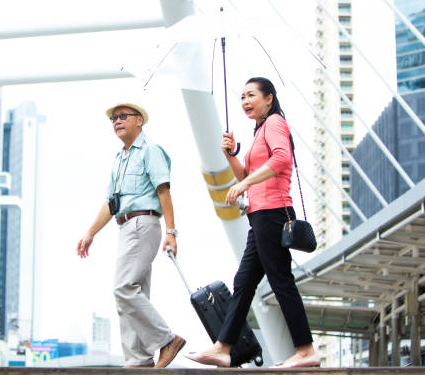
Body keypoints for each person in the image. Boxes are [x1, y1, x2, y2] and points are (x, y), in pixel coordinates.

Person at [185, 78, 320, 368]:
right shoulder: (260, 130)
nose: (245, 101)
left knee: (280, 281)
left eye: (251, 95)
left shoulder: (274, 123)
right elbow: (246, 174)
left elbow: (282, 160)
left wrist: (244, 182)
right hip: (259, 215)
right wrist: (230, 155)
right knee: (243, 282)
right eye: (242, 96)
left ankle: (306, 350)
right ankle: (223, 347)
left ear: (269, 98)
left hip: (273, 213)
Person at [76, 97, 185, 368]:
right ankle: (138, 358)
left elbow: (164, 191)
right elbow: (110, 203)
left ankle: (166, 339)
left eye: (123, 116)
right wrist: (90, 232)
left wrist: (171, 232)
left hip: (143, 223)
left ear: (139, 120)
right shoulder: (119, 159)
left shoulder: (150, 150)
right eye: (114, 118)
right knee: (133, 293)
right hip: (125, 226)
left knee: (123, 288)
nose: (117, 121)